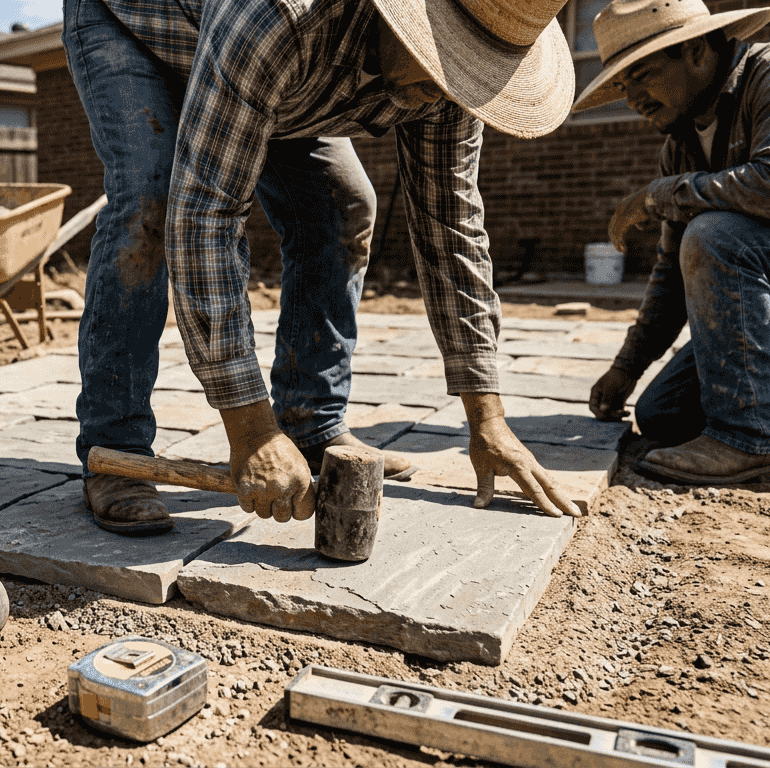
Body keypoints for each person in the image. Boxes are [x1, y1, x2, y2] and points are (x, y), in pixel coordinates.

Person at [67, 0, 586, 534]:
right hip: (137, 27)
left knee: (343, 206)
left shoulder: (453, 85)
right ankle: (115, 445)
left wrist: (488, 419)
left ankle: (312, 423)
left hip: (270, 73)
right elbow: (207, 211)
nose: (448, 89)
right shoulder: (281, 14)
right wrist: (251, 430)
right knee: (150, 203)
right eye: (446, 62)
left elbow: (450, 225)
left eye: (472, 69)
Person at [580, 0, 770, 485]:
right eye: (621, 83)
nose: (631, 97)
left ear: (695, 52)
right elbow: (674, 271)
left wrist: (658, 196)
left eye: (641, 74)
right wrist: (626, 368)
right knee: (663, 414)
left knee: (718, 234)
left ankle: (748, 440)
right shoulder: (679, 148)